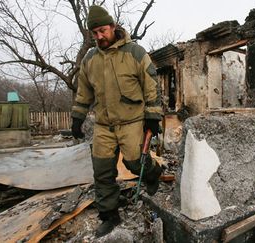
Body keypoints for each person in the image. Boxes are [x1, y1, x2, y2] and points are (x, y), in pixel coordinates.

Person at [70, 5, 163, 237]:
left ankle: (154, 173)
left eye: (103, 30)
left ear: (112, 26)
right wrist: (77, 118)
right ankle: (109, 215)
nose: (99, 36)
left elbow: (151, 85)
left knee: (135, 163)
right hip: (103, 125)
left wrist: (152, 117)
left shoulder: (135, 53)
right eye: (95, 33)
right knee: (102, 171)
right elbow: (83, 92)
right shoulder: (90, 59)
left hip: (132, 121)